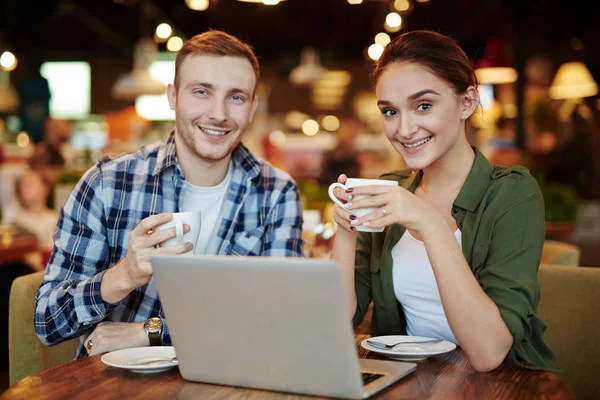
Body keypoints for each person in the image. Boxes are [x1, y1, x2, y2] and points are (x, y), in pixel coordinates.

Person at [34, 30, 304, 359]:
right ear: (173, 97)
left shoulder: (275, 192)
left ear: (252, 107)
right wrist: (124, 275)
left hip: (225, 380)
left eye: (236, 97)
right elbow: (47, 321)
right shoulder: (108, 183)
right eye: (202, 92)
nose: (219, 113)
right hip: (116, 387)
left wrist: (150, 332)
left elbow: (278, 321)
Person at [329, 31, 556, 372]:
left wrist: (430, 222)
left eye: (423, 105)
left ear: (467, 102)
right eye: (390, 111)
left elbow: (488, 353)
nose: (404, 129)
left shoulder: (512, 194)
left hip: (502, 387)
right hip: (408, 382)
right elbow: (337, 322)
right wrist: (345, 232)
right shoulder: (389, 192)